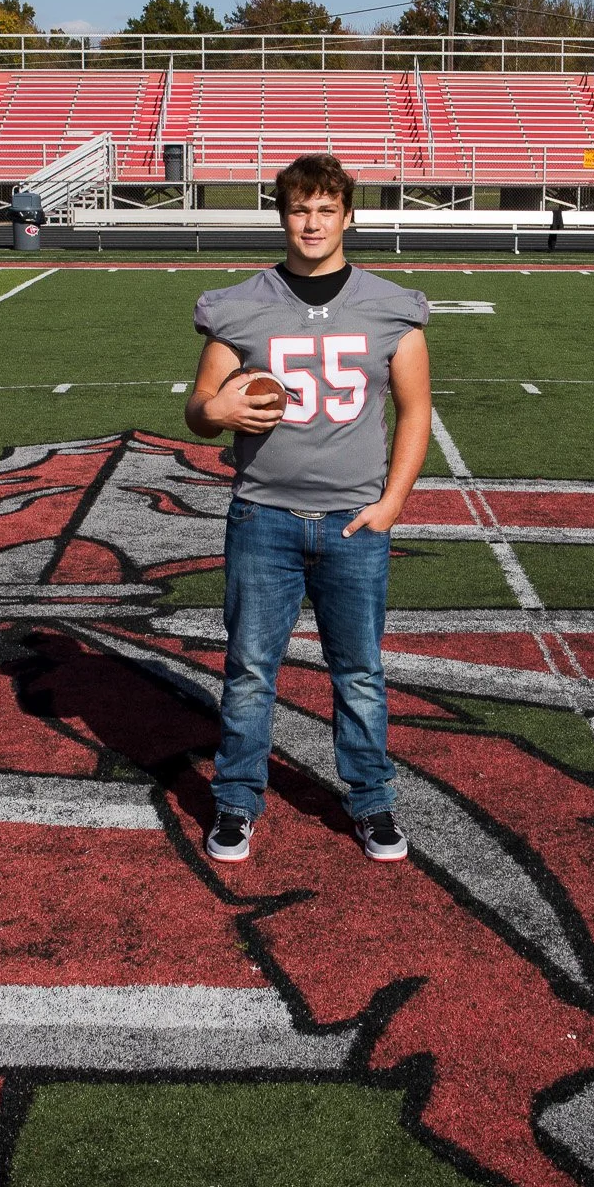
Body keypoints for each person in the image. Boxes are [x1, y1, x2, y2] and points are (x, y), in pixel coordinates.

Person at [184, 153, 432, 864]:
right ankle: (236, 802)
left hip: (355, 522)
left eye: (327, 209)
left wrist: (391, 504)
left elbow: (416, 411)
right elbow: (200, 407)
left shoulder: (392, 306)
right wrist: (214, 408)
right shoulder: (241, 304)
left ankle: (371, 801)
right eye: (300, 209)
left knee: (359, 670)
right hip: (264, 516)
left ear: (349, 216)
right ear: (282, 216)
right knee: (250, 668)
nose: (313, 222)